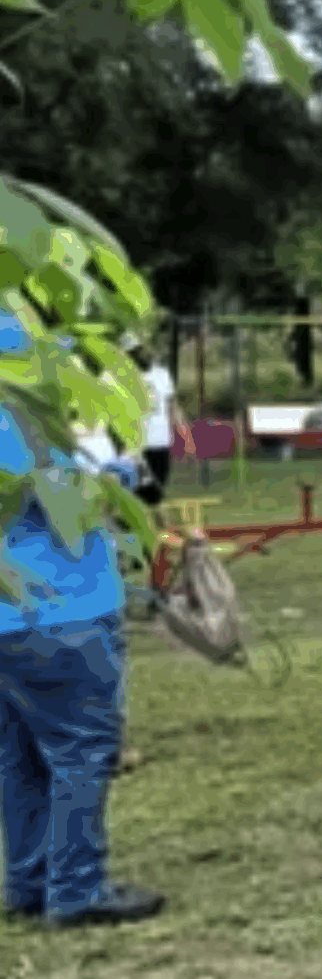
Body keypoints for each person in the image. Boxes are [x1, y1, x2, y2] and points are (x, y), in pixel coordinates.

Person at [1, 312, 163, 926]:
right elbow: (67, 502)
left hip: (7, 616)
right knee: (80, 752)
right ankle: (77, 889)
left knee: (19, 757)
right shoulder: (26, 426)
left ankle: (30, 881)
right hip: (62, 609)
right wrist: (119, 478)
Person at [137, 340, 177, 500]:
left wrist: (183, 433)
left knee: (159, 486)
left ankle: (153, 522)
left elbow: (172, 405)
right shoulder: (127, 375)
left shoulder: (162, 374)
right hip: (139, 443)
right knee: (141, 488)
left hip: (161, 440)